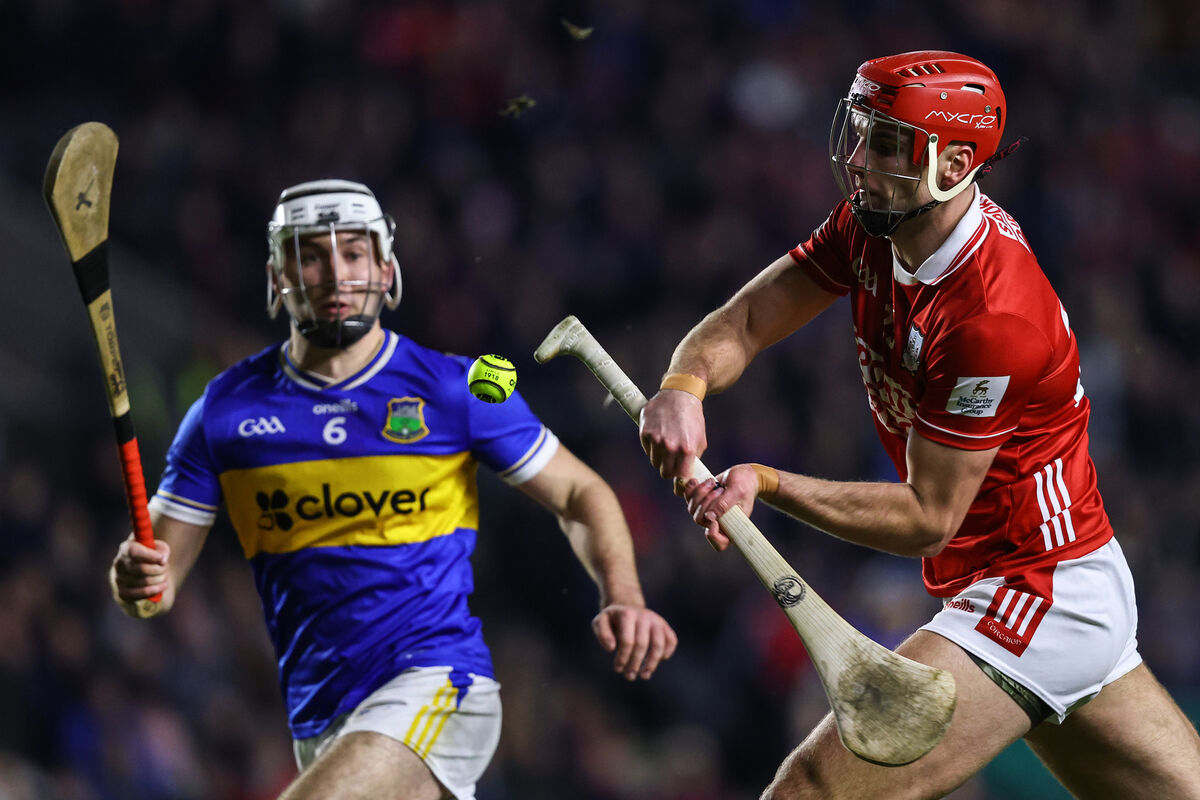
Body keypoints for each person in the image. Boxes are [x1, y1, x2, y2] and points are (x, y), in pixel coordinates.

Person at [639, 50, 1200, 799]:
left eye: (890, 145)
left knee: (812, 788)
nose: (860, 160)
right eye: (863, 132)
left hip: (1035, 590)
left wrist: (765, 481)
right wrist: (684, 383)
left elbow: (927, 517)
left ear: (955, 162)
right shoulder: (872, 227)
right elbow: (743, 321)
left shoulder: (993, 314)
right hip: (1032, 582)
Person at [110, 179, 678, 800]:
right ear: (277, 277)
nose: (335, 273)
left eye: (353, 253)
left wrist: (622, 591)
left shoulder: (455, 388)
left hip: (438, 685)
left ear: (386, 269)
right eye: (311, 254)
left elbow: (581, 493)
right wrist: (134, 581)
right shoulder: (225, 411)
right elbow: (154, 590)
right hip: (320, 717)